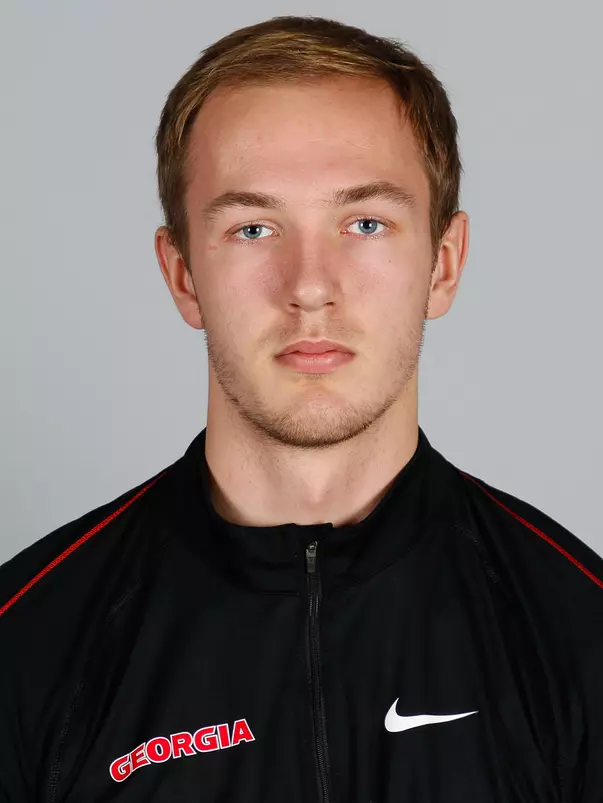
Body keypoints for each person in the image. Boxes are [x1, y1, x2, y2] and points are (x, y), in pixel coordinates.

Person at [1, 14, 601, 802]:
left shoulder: (575, 634)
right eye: (253, 227)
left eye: (363, 223)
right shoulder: (30, 643)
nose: (310, 284)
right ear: (182, 274)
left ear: (442, 264)